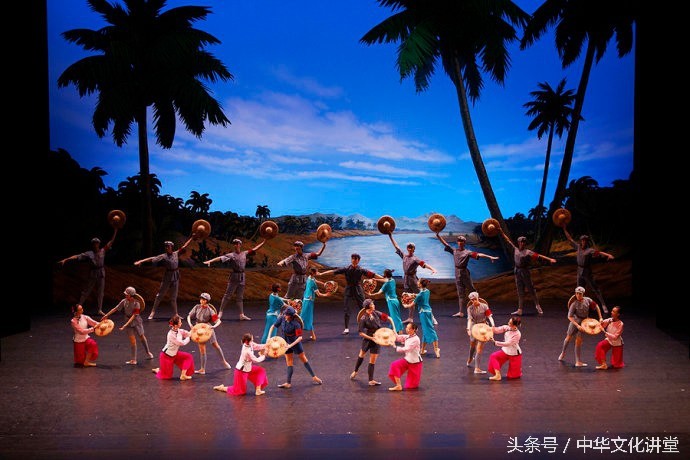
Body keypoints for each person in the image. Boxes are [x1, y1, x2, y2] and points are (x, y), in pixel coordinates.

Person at [435, 233, 498, 318]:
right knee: (461, 293)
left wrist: (489, 256)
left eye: (462, 241)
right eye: (459, 241)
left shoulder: (467, 252)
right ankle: (461, 312)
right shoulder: (454, 251)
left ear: (464, 243)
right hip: (457, 272)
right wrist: (438, 236)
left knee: (473, 291)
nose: (460, 242)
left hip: (464, 273)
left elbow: (478, 254)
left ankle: (482, 309)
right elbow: (445, 244)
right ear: (457, 242)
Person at [319, 253, 384, 335]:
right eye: (352, 258)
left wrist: (383, 278)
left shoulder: (361, 270)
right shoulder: (346, 268)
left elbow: (373, 274)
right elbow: (333, 272)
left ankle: (368, 326)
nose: (354, 260)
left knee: (364, 308)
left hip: (358, 289)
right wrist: (321, 274)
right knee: (346, 309)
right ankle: (346, 328)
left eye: (355, 259)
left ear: (358, 260)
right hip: (349, 289)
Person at [204, 237, 266, 320]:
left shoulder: (244, 253)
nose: (236, 245)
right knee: (227, 296)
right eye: (234, 244)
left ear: (240, 245)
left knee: (240, 297)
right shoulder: (231, 255)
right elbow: (220, 258)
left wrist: (264, 242)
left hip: (242, 276)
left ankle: (241, 315)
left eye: (237, 244)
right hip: (234, 276)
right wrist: (210, 261)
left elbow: (255, 249)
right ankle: (220, 312)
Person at [59, 229, 118, 315]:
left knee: (100, 292)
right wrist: (66, 259)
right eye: (94, 243)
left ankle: (99, 309)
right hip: (93, 272)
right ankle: (78, 306)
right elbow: (77, 256)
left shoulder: (103, 250)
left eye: (97, 243)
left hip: (101, 272)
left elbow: (111, 242)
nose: (95, 245)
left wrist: (115, 231)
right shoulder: (89, 253)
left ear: (99, 244)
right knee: (87, 290)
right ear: (92, 245)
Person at [133, 237, 193, 320]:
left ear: (171, 247)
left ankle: (176, 314)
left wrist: (192, 238)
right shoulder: (163, 256)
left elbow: (185, 245)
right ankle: (152, 312)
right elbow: (152, 258)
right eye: (166, 246)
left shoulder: (176, 253)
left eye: (168, 246)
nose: (167, 248)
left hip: (175, 277)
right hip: (167, 277)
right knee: (159, 295)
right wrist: (141, 261)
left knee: (173, 298)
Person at [499, 231, 556, 316]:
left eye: (524, 242)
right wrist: (500, 230)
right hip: (517, 271)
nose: (522, 243)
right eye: (521, 242)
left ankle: (537, 305)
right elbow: (507, 240)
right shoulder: (515, 249)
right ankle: (520, 309)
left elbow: (538, 255)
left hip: (525, 272)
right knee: (520, 291)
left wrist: (549, 259)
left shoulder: (528, 252)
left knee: (531, 289)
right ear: (518, 243)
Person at [268, 306, 323, 388]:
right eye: (284, 314)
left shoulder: (296, 324)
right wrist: (269, 338)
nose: (284, 315)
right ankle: (288, 383)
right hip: (285, 343)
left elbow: (300, 337)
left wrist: (290, 345)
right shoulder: (282, 318)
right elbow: (273, 326)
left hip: (294, 343)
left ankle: (314, 377)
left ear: (290, 316)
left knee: (304, 359)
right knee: (289, 362)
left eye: (286, 315)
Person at [563, 228, 615, 315]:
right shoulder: (578, 247)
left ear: (587, 242)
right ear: (581, 241)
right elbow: (570, 239)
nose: (583, 242)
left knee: (595, 289)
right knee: (579, 290)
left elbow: (599, 252)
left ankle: (603, 305)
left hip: (587, 272)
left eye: (585, 241)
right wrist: (564, 228)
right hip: (579, 271)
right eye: (582, 240)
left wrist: (608, 255)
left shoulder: (590, 250)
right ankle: (578, 307)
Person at [387, 234, 437, 324]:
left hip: (413, 280)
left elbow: (424, 264)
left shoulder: (415, 259)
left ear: (414, 249)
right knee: (409, 298)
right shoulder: (404, 256)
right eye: (408, 247)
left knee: (421, 299)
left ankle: (432, 317)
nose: (409, 249)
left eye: (411, 248)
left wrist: (432, 269)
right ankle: (410, 318)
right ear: (407, 248)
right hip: (406, 280)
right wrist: (390, 236)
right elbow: (397, 247)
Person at [101, 286, 154, 365]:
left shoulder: (137, 303)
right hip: (127, 320)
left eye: (127, 294)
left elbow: (134, 316)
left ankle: (148, 352)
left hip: (136, 321)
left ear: (131, 295)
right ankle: (133, 359)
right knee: (132, 340)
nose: (125, 295)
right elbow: (116, 308)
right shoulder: (124, 301)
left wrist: (125, 325)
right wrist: (107, 315)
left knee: (141, 336)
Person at [349, 298, 392, 386]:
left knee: (372, 360)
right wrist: (371, 338)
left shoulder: (376, 313)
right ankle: (355, 371)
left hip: (377, 338)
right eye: (372, 304)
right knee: (361, 355)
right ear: (368, 306)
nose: (374, 305)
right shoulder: (363, 318)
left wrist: (394, 329)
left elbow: (389, 318)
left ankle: (371, 380)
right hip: (368, 338)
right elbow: (361, 333)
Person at [186, 292, 232, 374]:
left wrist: (213, 327)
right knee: (202, 349)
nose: (201, 301)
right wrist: (190, 324)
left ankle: (224, 361)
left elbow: (218, 321)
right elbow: (189, 316)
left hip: (207, 328)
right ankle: (202, 369)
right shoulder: (197, 307)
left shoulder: (210, 310)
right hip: (198, 328)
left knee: (215, 345)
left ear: (207, 301)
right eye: (201, 299)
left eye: (204, 300)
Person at [558, 286, 603, 367]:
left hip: (584, 322)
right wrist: (577, 325)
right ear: (575, 294)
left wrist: (600, 317)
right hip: (575, 321)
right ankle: (563, 352)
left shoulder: (588, 300)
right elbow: (569, 316)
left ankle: (578, 361)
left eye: (580, 294)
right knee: (568, 337)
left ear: (583, 294)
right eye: (577, 293)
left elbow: (596, 306)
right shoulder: (574, 304)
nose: (578, 295)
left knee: (578, 341)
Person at [151, 314, 195, 381]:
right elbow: (181, 343)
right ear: (175, 325)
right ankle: (158, 370)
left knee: (188, 357)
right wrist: (189, 338)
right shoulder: (171, 334)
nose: (181, 323)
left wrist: (193, 332)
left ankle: (183, 375)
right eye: (180, 322)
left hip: (174, 354)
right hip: (166, 356)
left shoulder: (180, 330)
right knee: (167, 376)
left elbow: (187, 333)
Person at [466, 291, 496, 374]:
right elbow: (469, 319)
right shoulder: (470, 308)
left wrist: (493, 325)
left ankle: (477, 368)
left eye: (475, 299)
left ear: (478, 298)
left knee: (479, 348)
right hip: (474, 327)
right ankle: (470, 358)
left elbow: (489, 316)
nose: (473, 301)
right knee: (472, 344)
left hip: (483, 328)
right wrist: (468, 329)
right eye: (472, 300)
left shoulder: (484, 306)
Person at [388, 322, 423, 391]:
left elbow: (407, 349)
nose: (406, 329)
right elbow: (398, 337)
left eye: (409, 328)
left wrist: (395, 347)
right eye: (406, 327)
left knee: (410, 386)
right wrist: (394, 333)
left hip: (415, 362)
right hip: (407, 360)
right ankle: (398, 386)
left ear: (413, 330)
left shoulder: (416, 339)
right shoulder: (407, 336)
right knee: (395, 365)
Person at [487, 315, 522, 381]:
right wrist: (488, 328)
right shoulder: (506, 328)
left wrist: (495, 342)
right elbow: (497, 330)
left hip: (514, 353)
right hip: (506, 351)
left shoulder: (517, 334)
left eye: (510, 323)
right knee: (494, 356)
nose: (508, 323)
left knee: (512, 376)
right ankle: (498, 375)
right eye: (509, 321)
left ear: (514, 326)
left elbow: (508, 343)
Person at [371, 268, 404, 333]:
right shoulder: (392, 280)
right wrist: (376, 279)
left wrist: (371, 294)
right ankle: (391, 329)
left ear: (385, 275)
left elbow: (378, 293)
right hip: (396, 301)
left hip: (391, 302)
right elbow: (385, 280)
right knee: (394, 316)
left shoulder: (386, 284)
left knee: (395, 318)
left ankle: (400, 332)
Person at [413, 279, 440, 358]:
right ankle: (422, 350)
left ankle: (436, 349)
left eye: (418, 282)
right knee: (425, 331)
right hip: (428, 312)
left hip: (423, 313)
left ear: (421, 285)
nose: (417, 282)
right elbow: (420, 295)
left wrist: (405, 305)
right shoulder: (427, 291)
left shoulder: (420, 295)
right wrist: (413, 295)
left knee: (430, 330)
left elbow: (412, 304)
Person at [301, 267, 327, 341]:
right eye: (317, 271)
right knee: (304, 318)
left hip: (306, 300)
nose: (318, 272)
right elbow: (319, 294)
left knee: (304, 318)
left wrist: (324, 284)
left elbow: (316, 280)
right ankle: (309, 335)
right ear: (314, 273)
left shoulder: (309, 278)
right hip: (309, 301)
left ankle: (311, 336)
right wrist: (327, 294)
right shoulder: (313, 283)